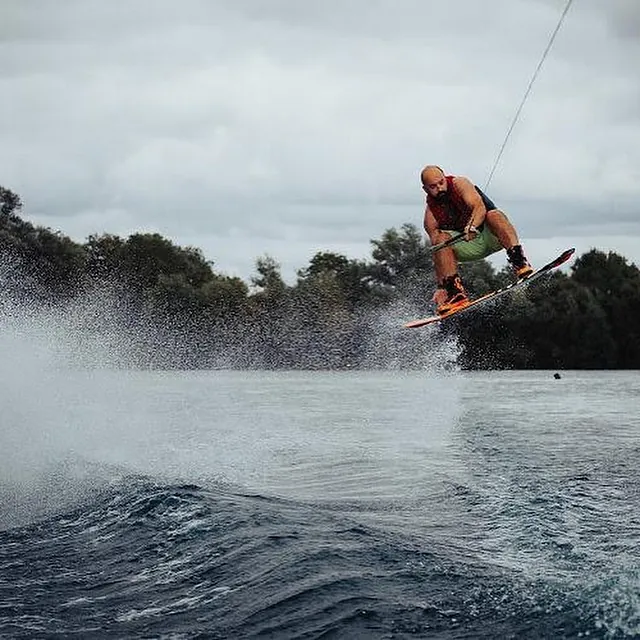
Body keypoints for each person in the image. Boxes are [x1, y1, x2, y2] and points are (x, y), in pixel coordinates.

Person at [421, 165, 533, 315]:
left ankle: (519, 262)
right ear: (425, 189)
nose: (440, 188)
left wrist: (472, 226)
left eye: (441, 183)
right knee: (440, 240)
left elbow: (479, 207)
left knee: (494, 215)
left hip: (492, 236)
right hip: (468, 248)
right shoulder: (430, 216)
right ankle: (455, 293)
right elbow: (437, 252)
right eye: (433, 187)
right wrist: (441, 287)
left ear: (445, 178)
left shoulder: (460, 183)